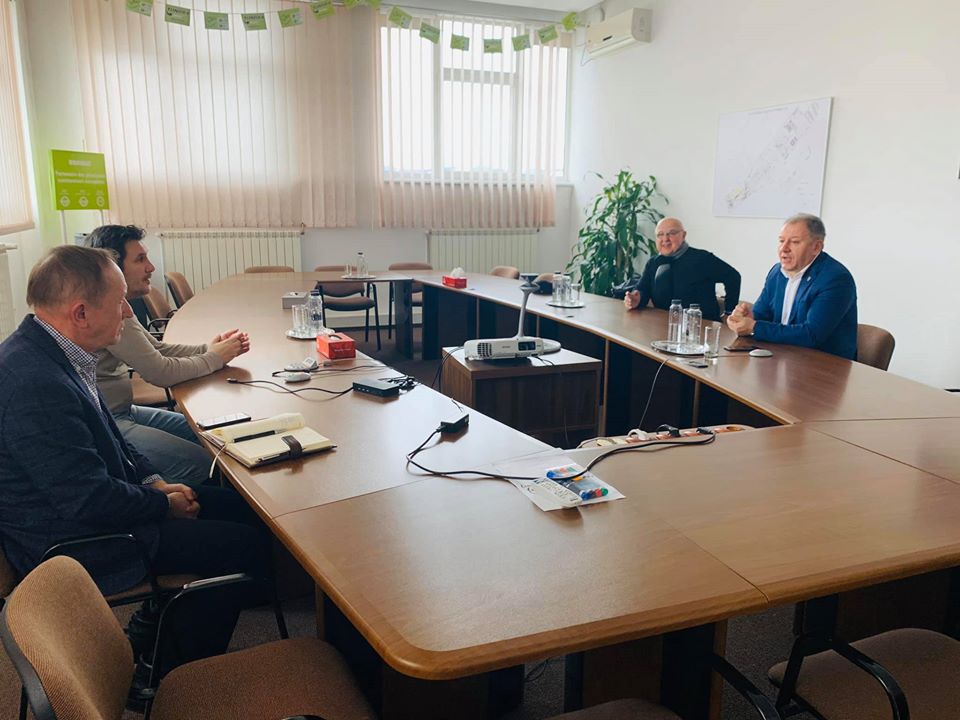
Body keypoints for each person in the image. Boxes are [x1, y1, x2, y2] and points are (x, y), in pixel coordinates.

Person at [0, 245, 270, 668]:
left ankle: (155, 627)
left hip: (101, 507)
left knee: (245, 508)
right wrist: (162, 504)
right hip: (75, 541)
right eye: (120, 302)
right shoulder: (34, 383)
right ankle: (163, 671)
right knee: (243, 544)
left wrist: (153, 483)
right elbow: (85, 500)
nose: (128, 312)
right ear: (81, 313)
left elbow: (113, 438)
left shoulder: (56, 350)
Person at [85, 225, 250, 487]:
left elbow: (158, 349)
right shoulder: (109, 311)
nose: (151, 267)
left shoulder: (120, 305)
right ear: (112, 268)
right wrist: (215, 358)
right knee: (209, 464)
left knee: (212, 438)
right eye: (140, 259)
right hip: (111, 421)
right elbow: (160, 372)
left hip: (123, 410)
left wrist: (208, 349)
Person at [726, 213, 857, 359]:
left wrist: (754, 327)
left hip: (824, 364)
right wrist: (746, 318)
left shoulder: (835, 279)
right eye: (781, 241)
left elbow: (811, 335)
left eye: (794, 242)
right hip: (781, 357)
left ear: (816, 247)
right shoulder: (777, 272)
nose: (784, 248)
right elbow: (762, 314)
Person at [624, 217, 741, 321]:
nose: (665, 239)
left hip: (699, 325)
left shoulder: (702, 259)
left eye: (671, 233)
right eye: (660, 234)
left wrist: (729, 312)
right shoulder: (654, 263)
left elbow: (733, 277)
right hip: (664, 323)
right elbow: (643, 289)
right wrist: (636, 300)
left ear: (683, 235)